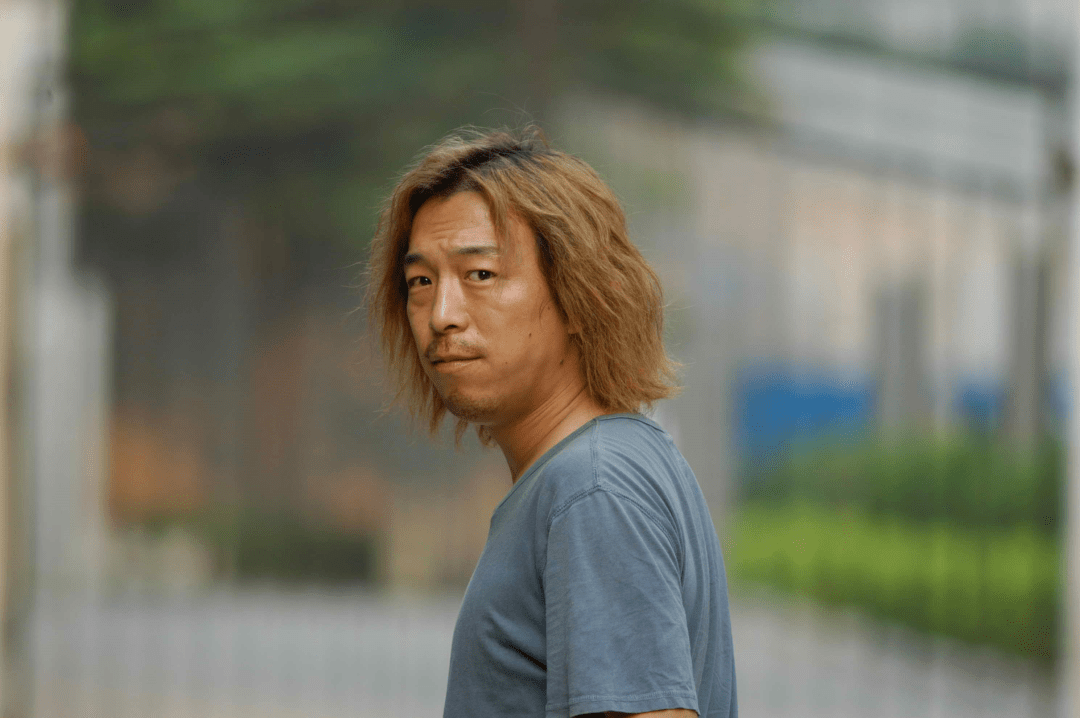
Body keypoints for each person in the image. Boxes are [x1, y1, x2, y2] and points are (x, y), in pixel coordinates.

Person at [367, 127, 737, 718]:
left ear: (579, 298)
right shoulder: (600, 469)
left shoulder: (592, 489)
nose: (441, 315)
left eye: (480, 275)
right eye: (421, 282)